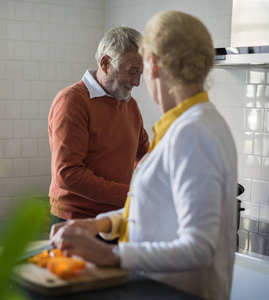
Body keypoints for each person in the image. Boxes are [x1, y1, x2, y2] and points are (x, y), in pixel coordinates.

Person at [50, 11, 238, 300]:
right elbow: (155, 205)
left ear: (152, 65)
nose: (137, 80)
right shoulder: (190, 125)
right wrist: (104, 223)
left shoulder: (194, 132)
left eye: (141, 68)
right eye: (131, 70)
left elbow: (199, 248)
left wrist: (111, 254)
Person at [47, 26, 149, 227]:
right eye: (132, 71)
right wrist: (130, 195)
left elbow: (144, 155)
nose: (137, 82)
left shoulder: (129, 104)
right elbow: (68, 174)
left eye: (141, 73)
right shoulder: (72, 101)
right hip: (76, 220)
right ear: (106, 63)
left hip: (116, 217)